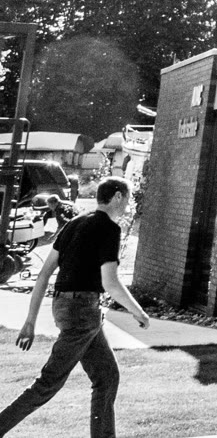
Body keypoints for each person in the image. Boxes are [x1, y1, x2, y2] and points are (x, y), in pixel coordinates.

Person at [1, 177, 150, 438]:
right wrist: (139, 312)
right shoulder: (108, 229)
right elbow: (110, 282)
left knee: (106, 377)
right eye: (127, 199)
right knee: (49, 382)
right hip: (82, 311)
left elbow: (44, 274)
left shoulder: (74, 223)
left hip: (67, 308)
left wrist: (30, 321)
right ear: (117, 197)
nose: (129, 205)